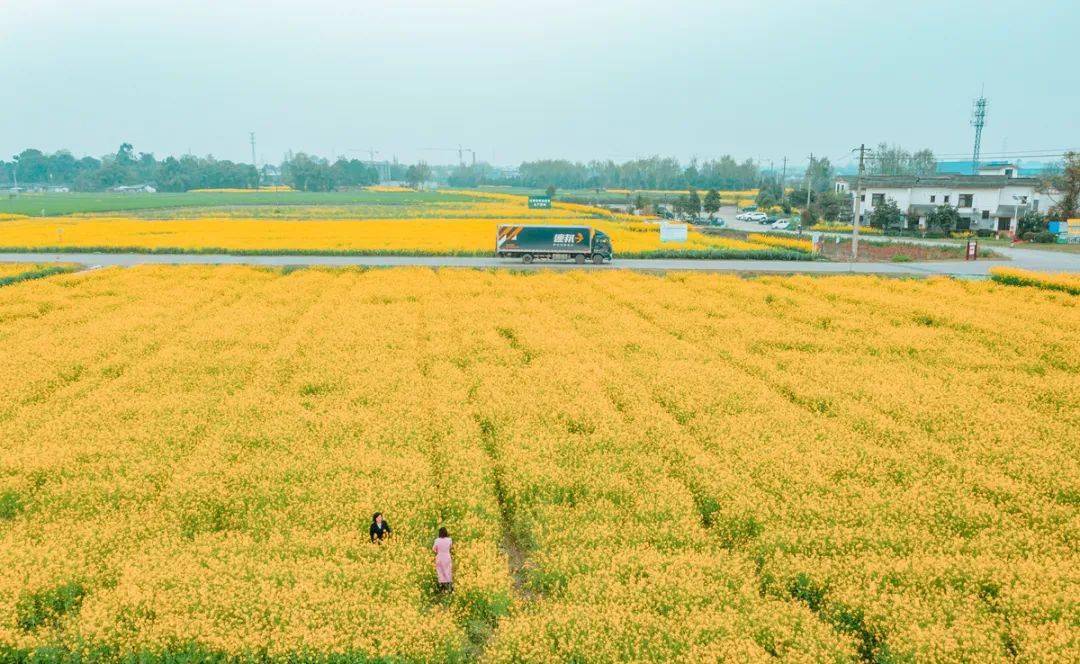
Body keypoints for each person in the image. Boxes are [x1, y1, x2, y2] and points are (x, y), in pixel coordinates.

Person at [433, 527, 453, 593]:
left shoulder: (437, 540)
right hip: (447, 556)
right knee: (448, 571)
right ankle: (449, 588)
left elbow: (434, 549)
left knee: (440, 572)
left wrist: (438, 551)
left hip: (440, 557)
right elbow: (450, 547)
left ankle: (442, 589)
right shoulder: (449, 540)